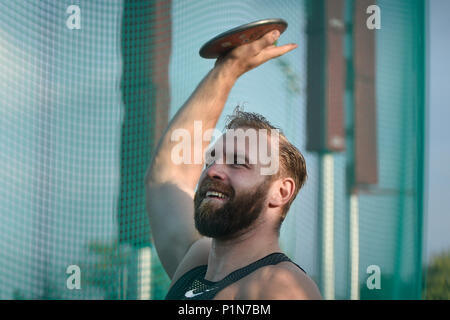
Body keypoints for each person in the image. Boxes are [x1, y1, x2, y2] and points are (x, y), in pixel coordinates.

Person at [144, 29, 322, 300]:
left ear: (281, 191)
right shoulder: (198, 263)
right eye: (211, 159)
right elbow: (170, 176)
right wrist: (227, 70)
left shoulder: (281, 286)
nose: (213, 170)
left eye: (238, 163)